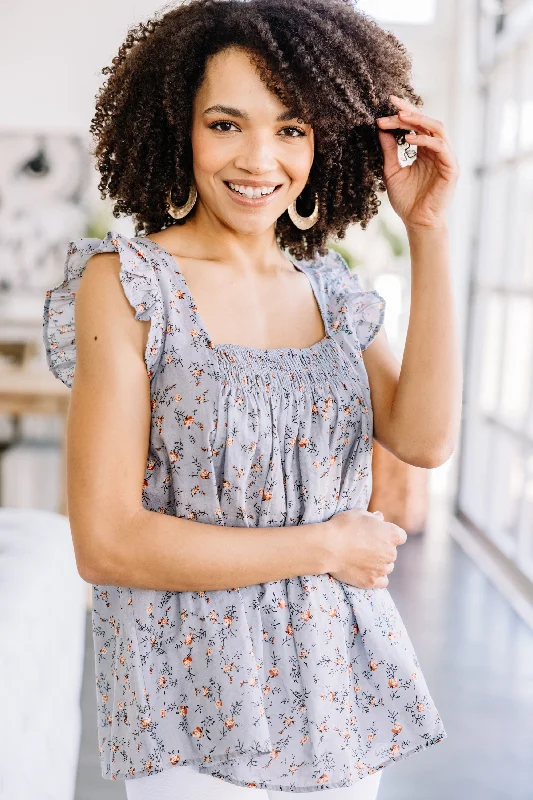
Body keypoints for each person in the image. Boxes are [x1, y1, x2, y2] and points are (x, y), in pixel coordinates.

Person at [42, 0, 462, 797]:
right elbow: (107, 543)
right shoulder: (127, 285)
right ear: (178, 127)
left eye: (292, 129)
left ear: (325, 142)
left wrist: (429, 234)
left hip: (337, 692)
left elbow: (426, 438)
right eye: (226, 124)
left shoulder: (330, 288)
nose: (259, 158)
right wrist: (325, 547)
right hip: (190, 704)